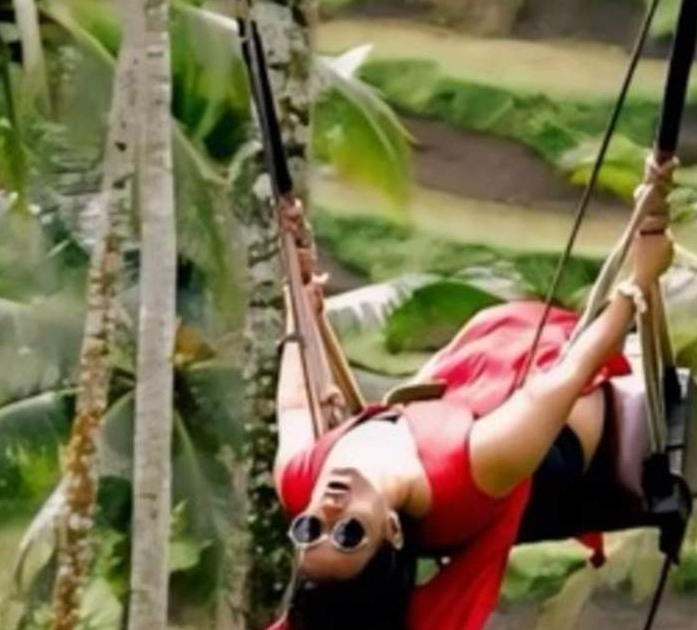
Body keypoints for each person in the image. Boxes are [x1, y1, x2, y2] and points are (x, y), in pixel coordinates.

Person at [269, 169, 674, 630]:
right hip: (550, 405)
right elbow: (567, 374)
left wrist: (296, 295)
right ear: (394, 531)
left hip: (459, 383)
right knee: (536, 372)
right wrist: (640, 280)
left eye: (309, 530)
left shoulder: (303, 480)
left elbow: (296, 405)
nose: (328, 511)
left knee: (482, 339)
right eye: (349, 534)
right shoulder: (469, 471)